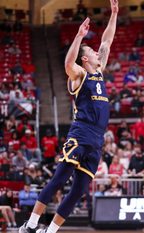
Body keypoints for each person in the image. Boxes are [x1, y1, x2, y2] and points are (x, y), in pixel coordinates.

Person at [19, 1, 119, 233]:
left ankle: (51, 231)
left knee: (79, 190)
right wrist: (78, 37)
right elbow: (67, 63)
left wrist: (113, 14)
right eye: (91, 52)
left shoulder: (99, 70)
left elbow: (107, 41)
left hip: (97, 139)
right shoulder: (79, 74)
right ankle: (31, 224)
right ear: (84, 59)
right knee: (59, 179)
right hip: (81, 133)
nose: (96, 52)